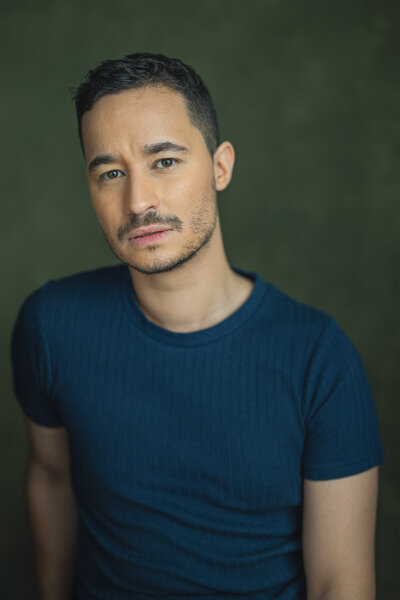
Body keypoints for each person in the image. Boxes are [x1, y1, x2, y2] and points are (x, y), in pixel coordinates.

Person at [10, 52, 385, 600]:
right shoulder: (51, 325)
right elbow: (51, 477)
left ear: (220, 166)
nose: (138, 201)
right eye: (111, 173)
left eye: (164, 161)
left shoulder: (318, 358)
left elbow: (340, 585)